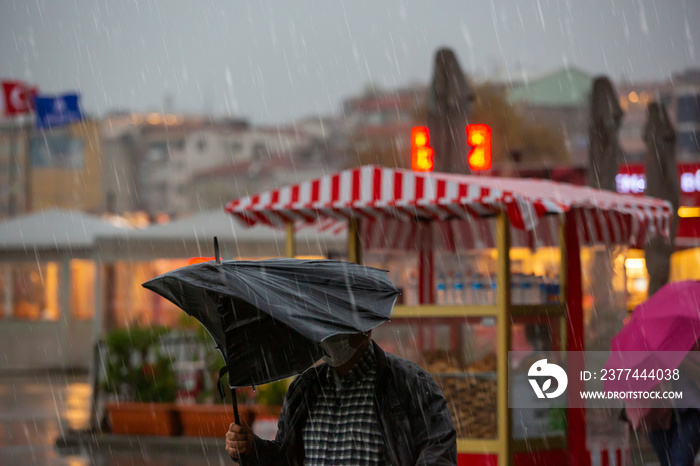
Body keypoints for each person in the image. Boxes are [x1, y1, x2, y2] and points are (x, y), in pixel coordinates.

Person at [225, 331, 457, 465]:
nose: (330, 334)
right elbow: (286, 460)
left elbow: (438, 449)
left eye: (339, 326)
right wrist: (251, 448)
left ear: (365, 329)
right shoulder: (304, 389)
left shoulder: (410, 383)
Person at [647, 349, 700, 466]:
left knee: (680, 461)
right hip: (657, 413)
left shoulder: (692, 341)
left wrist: (680, 360)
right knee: (667, 462)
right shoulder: (647, 349)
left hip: (691, 410)